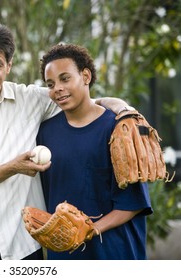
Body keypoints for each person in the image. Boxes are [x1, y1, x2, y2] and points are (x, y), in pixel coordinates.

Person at [0, 21, 132, 260]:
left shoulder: (30, 100)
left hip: (21, 250)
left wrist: (125, 111)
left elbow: (83, 99)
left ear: (8, 66)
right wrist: (13, 168)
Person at [37, 43, 152, 260]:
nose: (57, 89)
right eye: (50, 84)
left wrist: (90, 229)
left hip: (116, 254)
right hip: (65, 257)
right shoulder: (46, 133)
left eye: (65, 78)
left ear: (86, 76)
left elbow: (133, 204)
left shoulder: (118, 129)